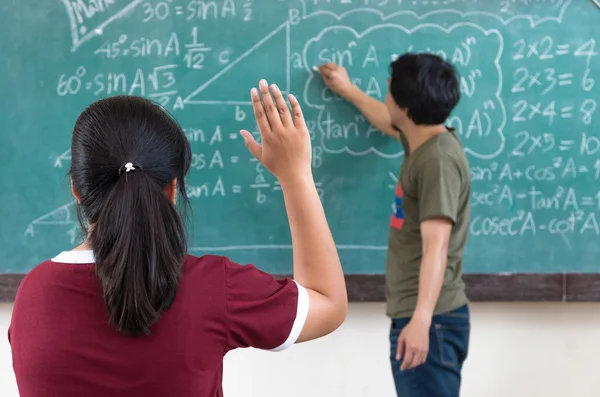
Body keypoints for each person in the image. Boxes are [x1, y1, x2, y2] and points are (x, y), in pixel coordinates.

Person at [8, 81, 348, 397]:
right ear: (172, 189)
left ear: (77, 191)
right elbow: (327, 303)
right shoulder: (213, 287)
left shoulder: (33, 295)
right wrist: (296, 176)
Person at [316, 53, 471, 396]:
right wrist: (348, 90)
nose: (386, 91)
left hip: (432, 321)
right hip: (426, 317)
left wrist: (421, 320)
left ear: (405, 104)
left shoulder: (437, 161)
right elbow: (387, 122)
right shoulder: (424, 140)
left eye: (390, 87)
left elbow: (437, 246)